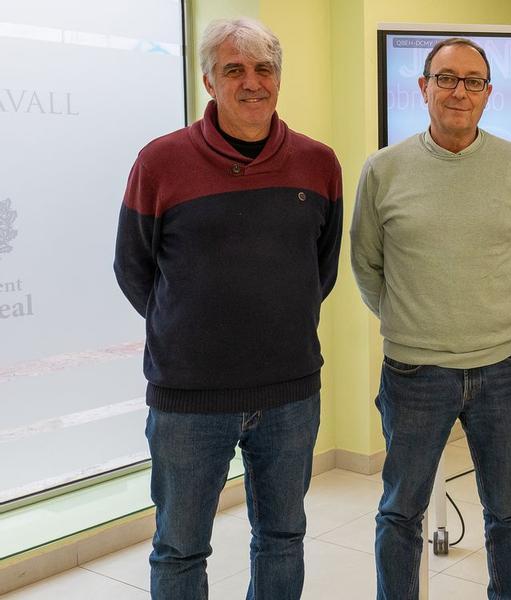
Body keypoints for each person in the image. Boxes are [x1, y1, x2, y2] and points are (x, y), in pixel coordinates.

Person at [113, 17, 342, 600]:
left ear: (278, 79)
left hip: (290, 394)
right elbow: (133, 269)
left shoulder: (319, 163)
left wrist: (271, 319)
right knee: (181, 548)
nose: (252, 82)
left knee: (283, 537)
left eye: (264, 68)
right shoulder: (161, 162)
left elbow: (321, 269)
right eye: (234, 69)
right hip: (189, 399)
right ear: (210, 81)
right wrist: (193, 327)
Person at [350, 37, 511, 600]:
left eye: (472, 81)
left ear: (488, 93)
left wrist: (508, 314)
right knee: (400, 512)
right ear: (423, 87)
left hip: (501, 370)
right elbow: (366, 263)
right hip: (414, 373)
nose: (459, 91)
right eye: (446, 78)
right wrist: (405, 320)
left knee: (508, 511)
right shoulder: (384, 170)